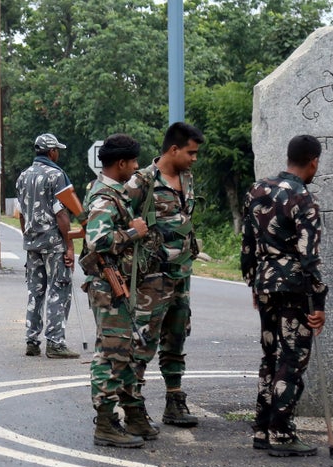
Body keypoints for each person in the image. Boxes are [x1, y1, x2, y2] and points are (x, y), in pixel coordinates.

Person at [241, 134, 328, 457]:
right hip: (294, 287)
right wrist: (318, 302)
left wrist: (253, 282)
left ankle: (262, 428)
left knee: (270, 356)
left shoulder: (257, 190)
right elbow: (309, 256)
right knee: (292, 359)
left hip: (264, 283)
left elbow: (247, 243)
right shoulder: (304, 199)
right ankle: (282, 432)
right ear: (314, 161)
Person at [124, 122, 204, 428]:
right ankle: (134, 406)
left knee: (176, 337)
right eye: (191, 152)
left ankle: (175, 401)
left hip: (182, 274)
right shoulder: (141, 181)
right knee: (143, 342)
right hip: (151, 279)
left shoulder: (187, 178)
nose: (194, 158)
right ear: (173, 149)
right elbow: (122, 221)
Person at [81, 133, 156, 448]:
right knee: (111, 353)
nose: (136, 166)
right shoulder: (104, 197)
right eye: (134, 162)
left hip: (120, 286)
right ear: (121, 164)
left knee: (123, 350)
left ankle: (131, 413)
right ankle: (106, 423)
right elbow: (97, 241)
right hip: (108, 286)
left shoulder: (116, 193)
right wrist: (132, 232)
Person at [15, 133, 80, 359]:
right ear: (51, 152)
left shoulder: (23, 176)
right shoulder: (57, 175)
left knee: (36, 292)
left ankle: (32, 341)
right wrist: (69, 245)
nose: (58, 154)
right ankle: (55, 342)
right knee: (58, 289)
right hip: (53, 243)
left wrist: (28, 235)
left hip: (32, 242)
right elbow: (61, 213)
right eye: (57, 150)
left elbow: (21, 213)